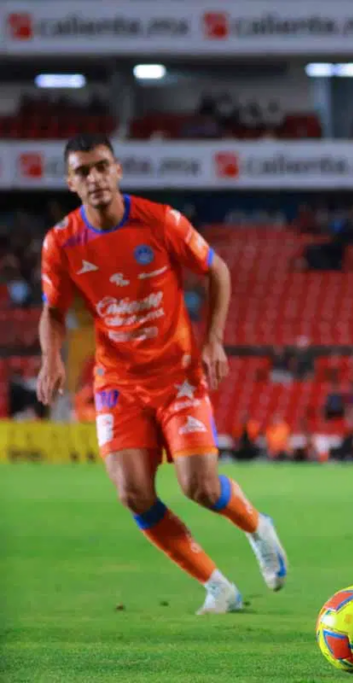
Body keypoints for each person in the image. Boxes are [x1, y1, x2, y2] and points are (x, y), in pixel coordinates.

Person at [36, 134, 288, 615]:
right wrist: (51, 358)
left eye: (101, 166)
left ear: (117, 170)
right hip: (117, 382)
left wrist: (213, 340)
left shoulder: (160, 220)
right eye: (83, 171)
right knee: (133, 493)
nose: (95, 178)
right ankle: (218, 587)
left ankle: (258, 527)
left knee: (200, 487)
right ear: (70, 182)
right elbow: (52, 310)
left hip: (178, 376)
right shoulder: (61, 242)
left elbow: (217, 270)